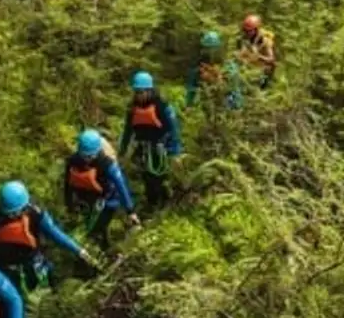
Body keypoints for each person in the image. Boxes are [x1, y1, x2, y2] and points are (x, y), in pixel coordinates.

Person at [0, 179, 97, 292]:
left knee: (44, 285)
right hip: (7, 267)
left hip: (33, 261)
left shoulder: (35, 213)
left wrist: (78, 250)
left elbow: (55, 233)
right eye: (9, 213)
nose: (12, 216)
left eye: (16, 212)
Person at [63, 128, 138, 248]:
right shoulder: (73, 161)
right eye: (84, 155)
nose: (86, 159)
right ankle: (103, 246)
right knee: (91, 226)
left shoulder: (107, 164)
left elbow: (121, 185)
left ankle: (103, 248)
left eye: (90, 156)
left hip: (107, 200)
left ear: (97, 152)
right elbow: (68, 184)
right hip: (87, 199)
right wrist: (69, 205)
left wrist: (130, 210)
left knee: (97, 228)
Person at [119, 71, 183, 210]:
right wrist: (122, 150)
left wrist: (175, 151)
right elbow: (127, 131)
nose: (139, 95)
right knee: (147, 178)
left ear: (149, 91)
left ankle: (165, 203)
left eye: (141, 92)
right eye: (136, 92)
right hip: (144, 148)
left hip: (160, 148)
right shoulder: (133, 108)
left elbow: (173, 129)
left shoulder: (162, 106)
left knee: (159, 178)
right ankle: (152, 204)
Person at [186, 29, 244, 110]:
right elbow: (191, 88)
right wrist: (189, 105)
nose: (210, 52)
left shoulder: (228, 65)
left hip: (229, 103)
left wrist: (215, 76)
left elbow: (233, 87)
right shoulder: (197, 66)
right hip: (209, 103)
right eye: (207, 48)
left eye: (213, 49)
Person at [237, 13, 278, 88]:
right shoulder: (243, 39)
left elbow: (272, 59)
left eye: (249, 31)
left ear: (256, 29)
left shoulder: (265, 40)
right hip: (249, 69)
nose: (247, 33)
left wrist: (259, 57)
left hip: (263, 71)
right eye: (245, 30)